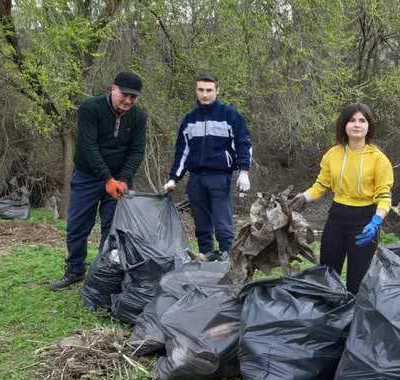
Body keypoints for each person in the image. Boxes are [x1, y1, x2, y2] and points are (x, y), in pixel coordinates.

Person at [51, 71, 147, 290]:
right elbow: (88, 147)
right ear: (112, 89)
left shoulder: (139, 117)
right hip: (88, 177)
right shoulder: (90, 108)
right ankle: (75, 269)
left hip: (119, 181)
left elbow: (136, 151)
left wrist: (123, 178)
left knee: (113, 230)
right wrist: (107, 179)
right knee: (77, 226)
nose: (128, 101)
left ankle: (104, 274)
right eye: (124, 94)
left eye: (134, 97)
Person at [290, 103, 394, 294]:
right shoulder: (333, 154)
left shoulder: (379, 159)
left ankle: (353, 319)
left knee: (357, 280)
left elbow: (384, 196)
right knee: (328, 275)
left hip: (365, 220)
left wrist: (376, 221)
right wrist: (303, 198)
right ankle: (328, 316)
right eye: (352, 120)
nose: (357, 125)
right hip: (336, 218)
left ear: (368, 126)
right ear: (344, 125)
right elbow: (321, 186)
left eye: (362, 120)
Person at [163, 73, 252, 261]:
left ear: (217, 91)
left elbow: (243, 143)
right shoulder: (189, 119)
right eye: (201, 90)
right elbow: (182, 152)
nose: (205, 94)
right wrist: (173, 178)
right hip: (195, 178)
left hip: (220, 177)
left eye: (209, 90)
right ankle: (206, 257)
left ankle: (229, 259)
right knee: (202, 224)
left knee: (222, 223)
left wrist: (244, 171)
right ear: (196, 91)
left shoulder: (230, 115)